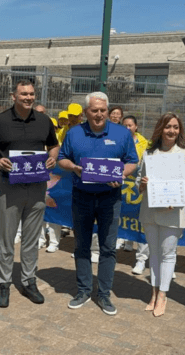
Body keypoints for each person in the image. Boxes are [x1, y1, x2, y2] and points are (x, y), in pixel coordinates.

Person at [0, 80, 59, 308]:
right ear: (13, 96)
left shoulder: (44, 120)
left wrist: (52, 157)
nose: (28, 97)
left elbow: (53, 145)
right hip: (10, 186)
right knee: (6, 238)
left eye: (32, 94)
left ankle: (28, 281)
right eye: (23, 94)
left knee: (31, 239)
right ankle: (3, 283)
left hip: (37, 187)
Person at [58, 92, 138, 316]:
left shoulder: (121, 133)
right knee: (81, 245)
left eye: (103, 110)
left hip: (110, 198)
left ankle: (104, 293)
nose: (99, 114)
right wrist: (74, 167)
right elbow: (62, 158)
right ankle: (83, 290)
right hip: (81, 196)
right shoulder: (74, 133)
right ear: (86, 112)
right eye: (95, 110)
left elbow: (132, 161)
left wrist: (120, 173)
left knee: (108, 247)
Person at [136, 113, 185, 317]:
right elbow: (139, 180)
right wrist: (142, 185)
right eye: (168, 126)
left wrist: (177, 197)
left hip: (173, 211)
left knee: (168, 253)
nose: (172, 131)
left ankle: (163, 294)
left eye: (176, 127)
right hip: (150, 210)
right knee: (153, 253)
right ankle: (153, 292)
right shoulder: (149, 153)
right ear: (160, 129)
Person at [119, 115, 150, 259]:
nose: (127, 128)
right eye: (124, 125)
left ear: (136, 126)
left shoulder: (144, 143)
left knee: (137, 215)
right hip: (122, 182)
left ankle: (141, 257)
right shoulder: (117, 140)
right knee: (123, 211)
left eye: (130, 125)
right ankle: (126, 240)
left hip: (137, 184)